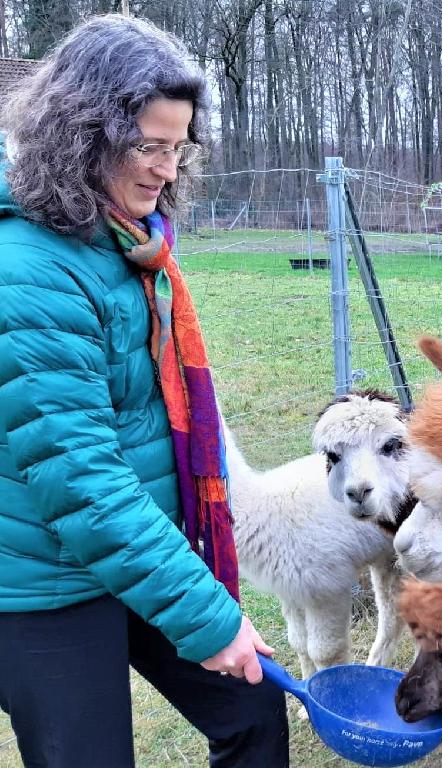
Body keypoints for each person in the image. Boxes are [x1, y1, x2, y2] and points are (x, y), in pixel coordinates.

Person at [0, 14, 289, 768]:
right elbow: (83, 481)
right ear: (82, 134)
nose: (165, 169)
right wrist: (207, 618)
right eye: (147, 146)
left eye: (176, 148)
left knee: (253, 707)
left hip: (133, 546)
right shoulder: (29, 268)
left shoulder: (125, 242)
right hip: (43, 579)